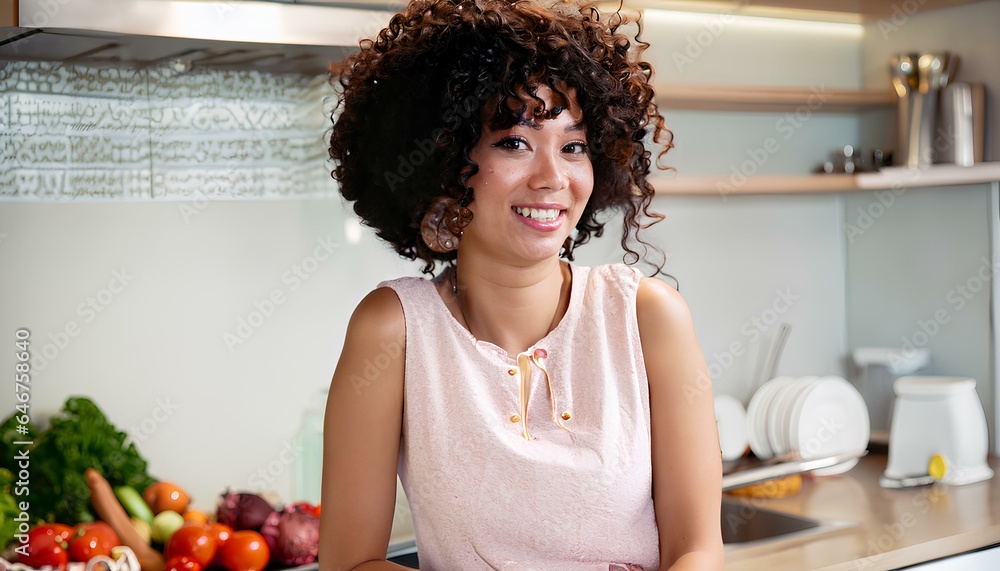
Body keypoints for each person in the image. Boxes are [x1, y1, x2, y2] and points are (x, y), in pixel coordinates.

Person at [319, 0, 723, 569]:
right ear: (443, 164)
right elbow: (350, 563)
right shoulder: (393, 330)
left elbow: (698, 549)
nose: (553, 177)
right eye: (514, 142)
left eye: (573, 146)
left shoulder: (648, 317)